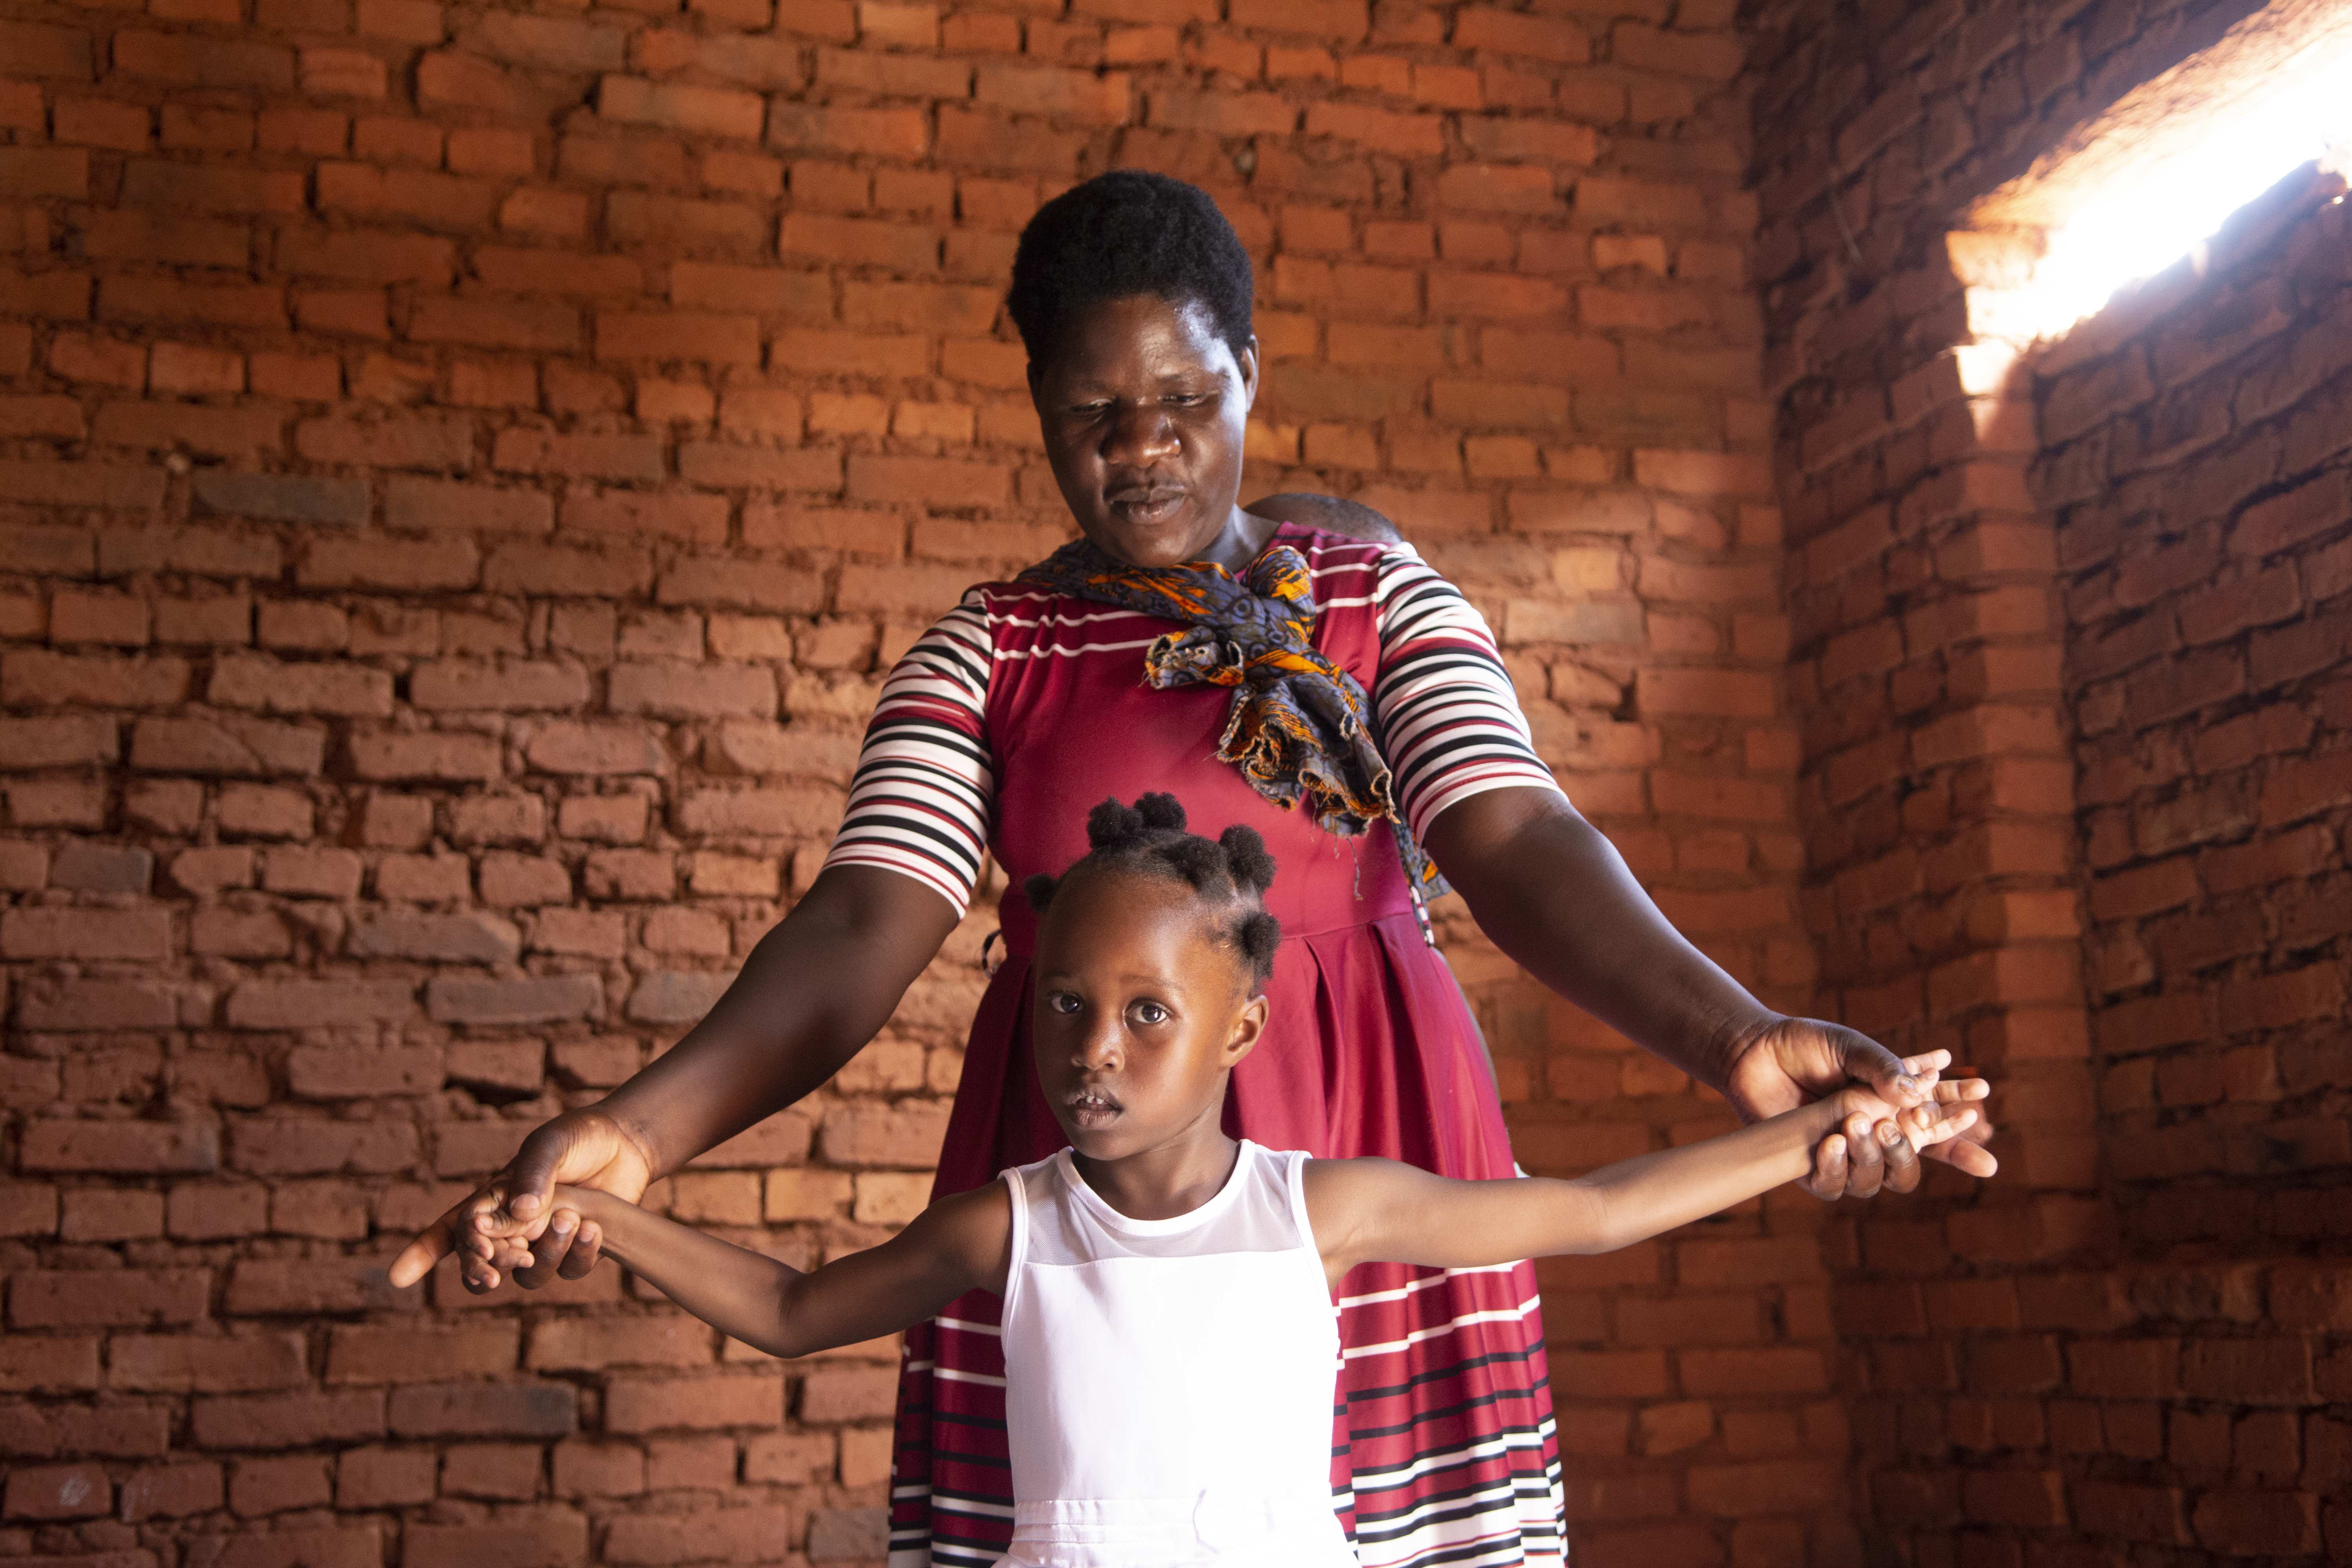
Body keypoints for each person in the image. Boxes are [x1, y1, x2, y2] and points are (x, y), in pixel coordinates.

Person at [392, 171, 1994, 1568]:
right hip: (1093, 1178)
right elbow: (865, 922)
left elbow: (1516, 838)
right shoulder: (991, 653)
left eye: (1187, 400)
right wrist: (635, 1131)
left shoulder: (1371, 597)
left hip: (1378, 1142)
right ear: (1037, 407)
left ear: (1249, 373)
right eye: (1091, 414)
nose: (1143, 448)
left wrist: (1734, 1034)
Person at [499, 797, 1989, 1568]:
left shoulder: (1316, 1211)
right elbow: (789, 1306)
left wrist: (1827, 1133)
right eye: (1067, 1010)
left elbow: (1595, 1210)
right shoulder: (1009, 1225)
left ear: (1244, 1030)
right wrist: (601, 1207)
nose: (1096, 1050)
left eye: (1150, 1016)